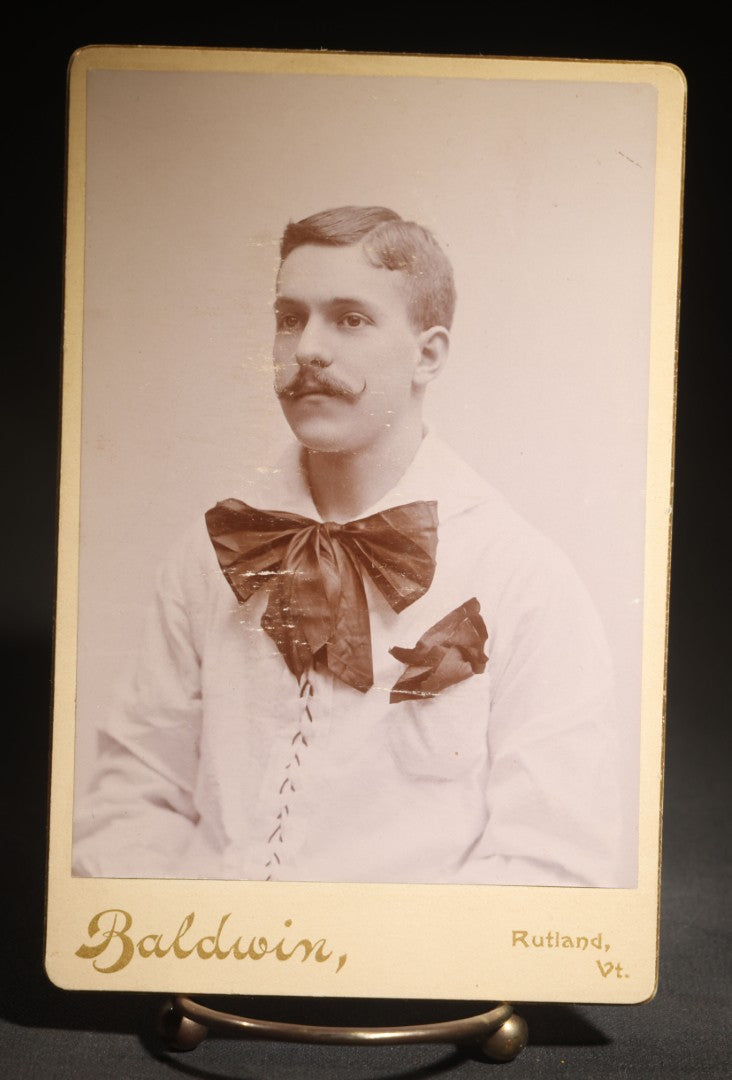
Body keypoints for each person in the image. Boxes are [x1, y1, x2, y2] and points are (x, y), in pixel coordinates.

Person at [73, 205, 624, 886]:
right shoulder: (212, 553)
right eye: (289, 317)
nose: (307, 348)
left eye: (350, 319)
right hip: (208, 972)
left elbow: (553, 858)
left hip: (418, 984)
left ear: (429, 353)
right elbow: (134, 793)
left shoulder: (521, 574)